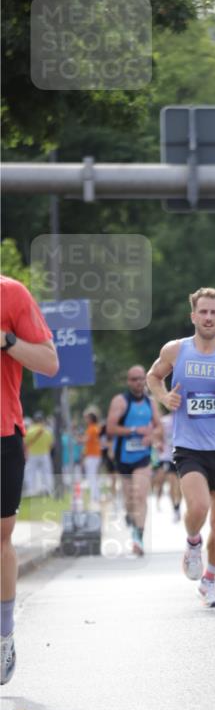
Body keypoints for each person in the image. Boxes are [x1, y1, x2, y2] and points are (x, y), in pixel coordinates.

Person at [147, 287, 215, 607]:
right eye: (202, 312)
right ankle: (193, 542)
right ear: (193, 316)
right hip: (189, 446)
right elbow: (153, 376)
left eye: (213, 312)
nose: (208, 317)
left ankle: (209, 580)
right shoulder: (176, 350)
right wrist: (164, 398)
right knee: (200, 507)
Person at [1, 275, 59, 685]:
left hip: (3, 433)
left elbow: (49, 362)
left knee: (1, 537)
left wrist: (6, 341)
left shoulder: (11, 294)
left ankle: (4, 635)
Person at [106, 366, 162, 556]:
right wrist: (133, 431)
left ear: (145, 380)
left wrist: (151, 436)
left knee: (140, 496)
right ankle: (130, 517)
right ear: (128, 382)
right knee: (129, 499)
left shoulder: (150, 403)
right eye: (134, 379)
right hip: (123, 457)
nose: (138, 382)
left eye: (141, 378)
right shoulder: (120, 401)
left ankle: (138, 538)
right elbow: (110, 428)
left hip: (143, 457)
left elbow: (159, 428)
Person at [152, 411, 182, 522]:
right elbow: (156, 436)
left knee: (180, 486)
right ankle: (174, 508)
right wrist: (158, 443)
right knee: (172, 483)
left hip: (183, 457)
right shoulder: (164, 421)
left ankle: (178, 506)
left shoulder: (185, 419)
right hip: (168, 457)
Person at [23, 411, 55, 496]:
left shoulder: (30, 430)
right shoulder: (48, 430)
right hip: (45, 454)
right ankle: (49, 489)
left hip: (33, 454)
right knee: (47, 472)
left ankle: (31, 490)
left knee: (30, 472)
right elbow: (51, 444)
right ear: (42, 420)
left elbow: (25, 442)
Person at [81, 411, 102, 505]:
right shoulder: (96, 427)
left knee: (91, 476)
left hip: (92, 455)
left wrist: (78, 439)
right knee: (94, 476)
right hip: (95, 454)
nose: (85, 420)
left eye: (87, 418)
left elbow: (86, 439)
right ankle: (96, 495)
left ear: (91, 419)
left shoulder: (91, 428)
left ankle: (94, 496)